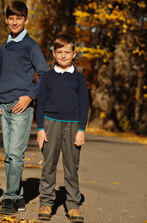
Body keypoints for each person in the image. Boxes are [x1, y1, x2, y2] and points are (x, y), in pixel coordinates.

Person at [0, 1, 49, 215]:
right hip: (3, 106)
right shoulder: (4, 46)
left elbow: (44, 75)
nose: (14, 22)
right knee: (9, 155)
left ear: (26, 20)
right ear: (6, 20)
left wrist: (29, 97)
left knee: (16, 154)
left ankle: (9, 198)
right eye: (11, 18)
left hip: (20, 107)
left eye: (19, 18)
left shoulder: (31, 46)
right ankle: (18, 197)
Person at [36, 34, 88, 223]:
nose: (64, 55)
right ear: (53, 53)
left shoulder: (79, 78)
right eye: (60, 52)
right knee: (49, 165)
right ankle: (46, 202)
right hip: (50, 123)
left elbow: (84, 105)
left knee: (71, 167)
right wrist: (40, 128)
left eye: (67, 52)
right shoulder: (47, 77)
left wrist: (81, 129)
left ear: (74, 54)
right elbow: (40, 104)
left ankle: (73, 205)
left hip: (73, 126)